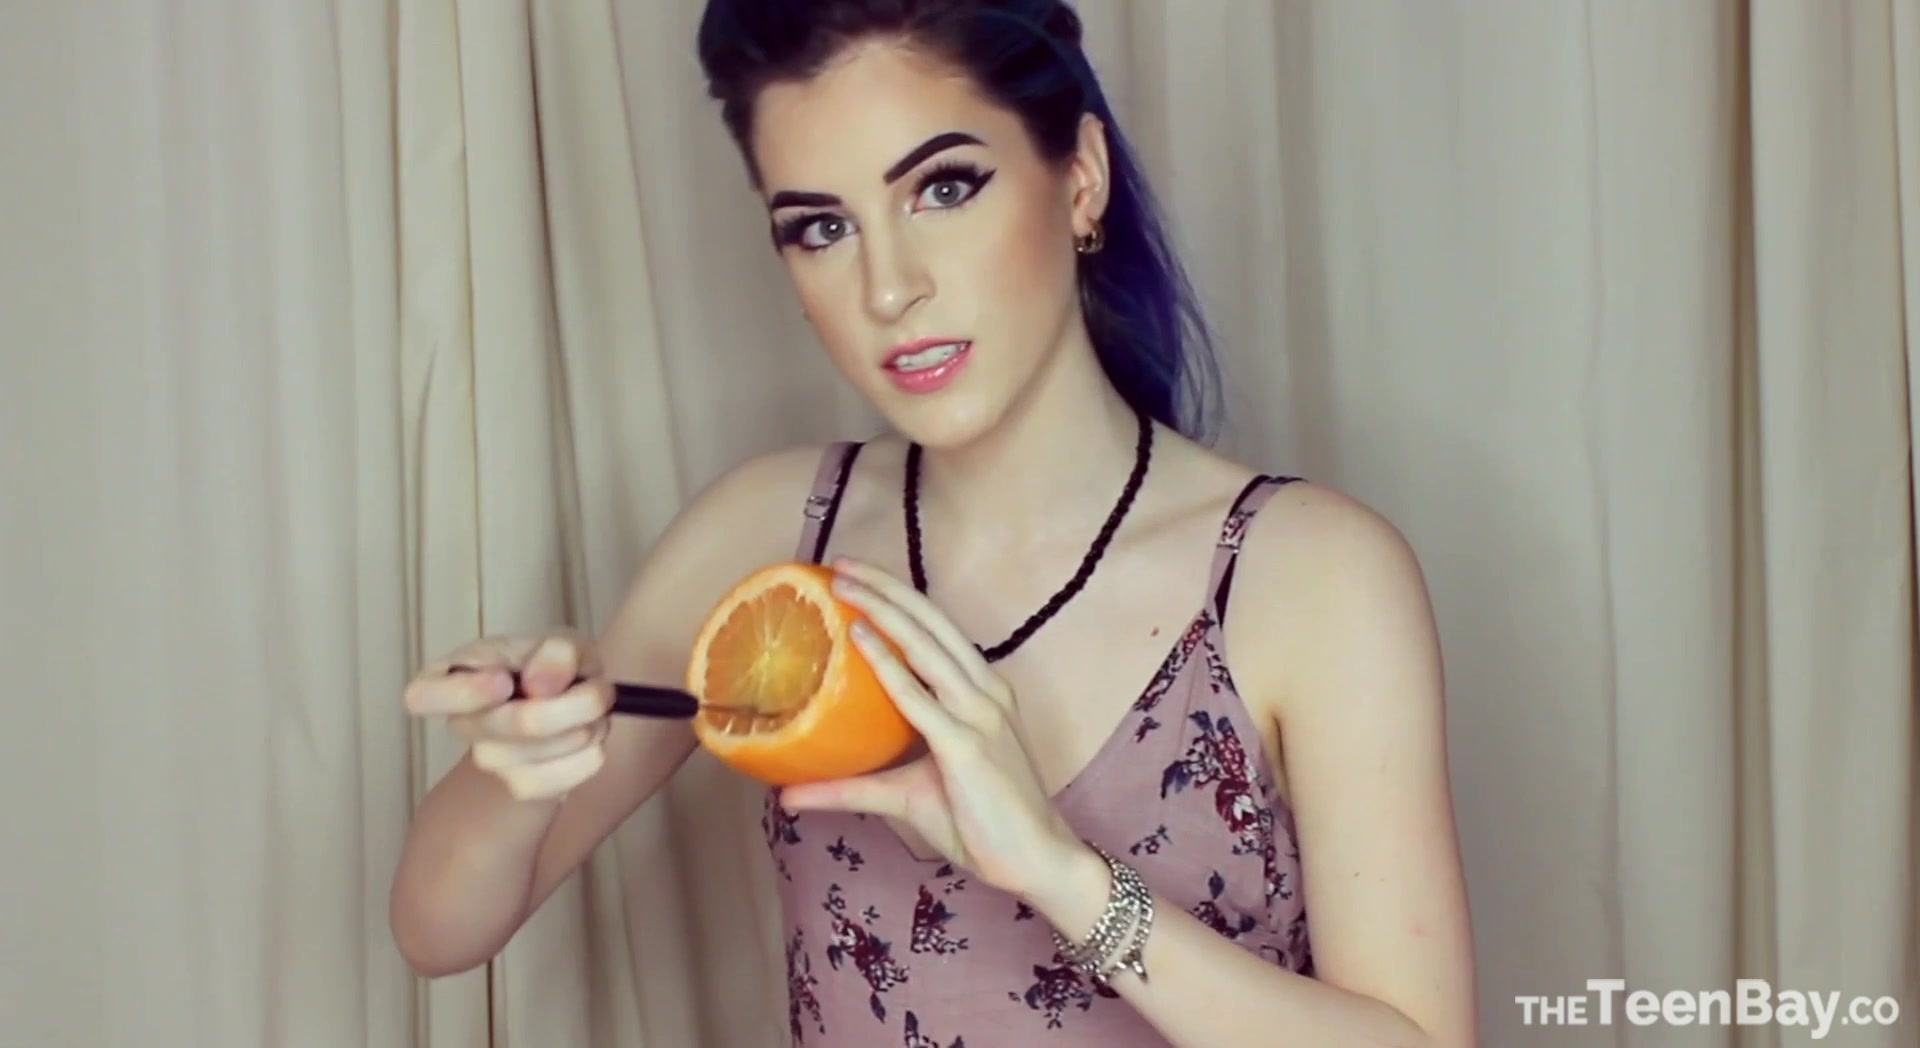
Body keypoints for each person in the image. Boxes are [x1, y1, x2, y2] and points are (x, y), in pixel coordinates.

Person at [390, 1, 1477, 1044]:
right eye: (822, 228)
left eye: (943, 188)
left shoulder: (1310, 577)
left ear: (1080, 178)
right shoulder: (772, 536)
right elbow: (437, 932)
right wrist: (522, 759)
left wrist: (1063, 876)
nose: (888, 288)